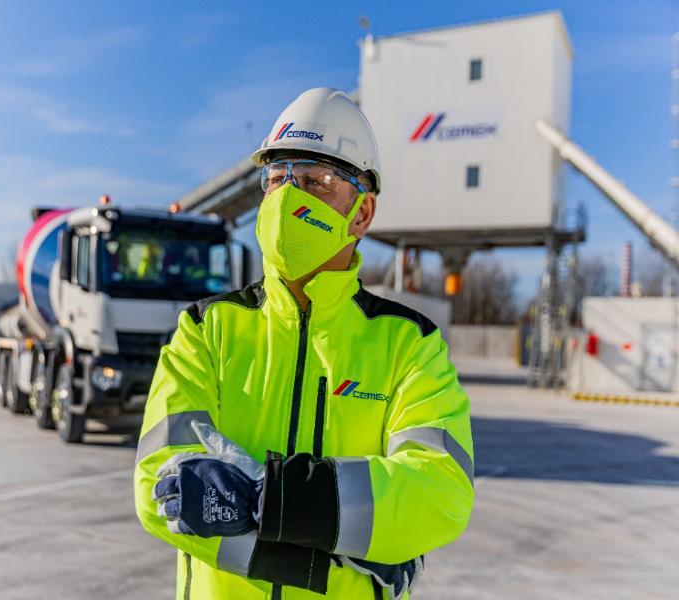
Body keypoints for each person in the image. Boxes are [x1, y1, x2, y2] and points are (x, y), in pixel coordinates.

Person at [134, 88, 474, 600]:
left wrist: (263, 500)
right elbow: (162, 492)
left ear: (361, 214)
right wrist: (337, 548)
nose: (289, 197)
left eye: (316, 181)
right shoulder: (206, 329)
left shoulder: (409, 344)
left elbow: (440, 492)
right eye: (276, 179)